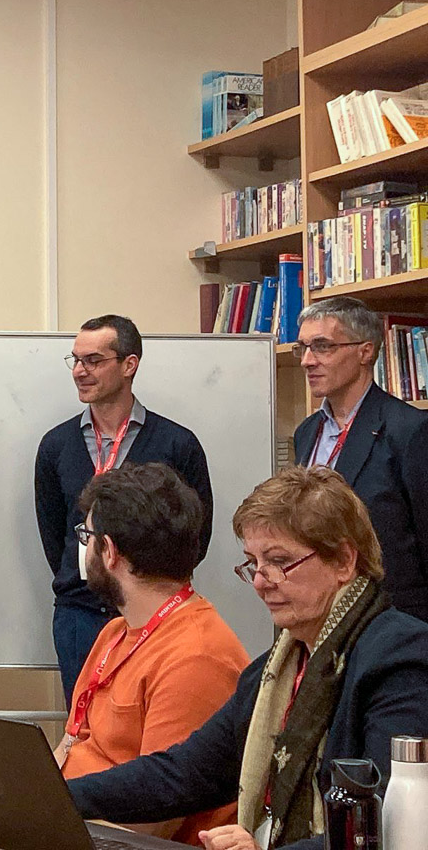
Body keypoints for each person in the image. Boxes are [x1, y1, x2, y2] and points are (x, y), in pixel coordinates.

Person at [67, 466, 428, 850]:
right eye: (253, 563)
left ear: (343, 561)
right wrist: (60, 796)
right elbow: (184, 772)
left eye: (279, 561)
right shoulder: (274, 668)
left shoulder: (399, 658)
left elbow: (384, 828)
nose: (260, 580)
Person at [57, 462, 248, 845]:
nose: (85, 546)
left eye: (87, 535)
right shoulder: (116, 631)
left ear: (109, 551)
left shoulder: (196, 656)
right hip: (75, 824)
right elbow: (70, 744)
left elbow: (157, 819)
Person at [36, 314, 214, 701]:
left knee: (148, 723)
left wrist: (138, 582)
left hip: (154, 611)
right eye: (76, 360)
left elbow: (196, 536)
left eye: (94, 361)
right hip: (79, 615)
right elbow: (55, 534)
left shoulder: (176, 444)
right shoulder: (56, 445)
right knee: (83, 730)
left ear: (129, 364)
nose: (80, 371)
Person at [292, 295, 428, 621]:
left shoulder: (409, 431)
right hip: (320, 615)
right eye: (303, 347)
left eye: (322, 346)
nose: (307, 361)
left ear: (365, 352)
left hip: (391, 621)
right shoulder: (307, 432)